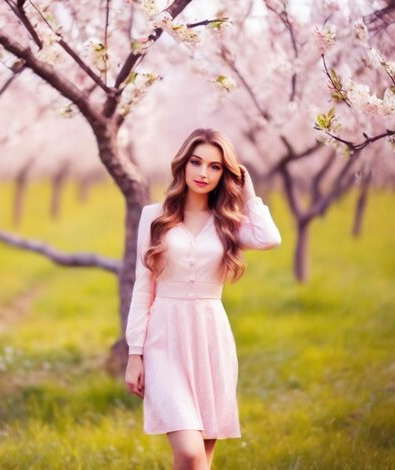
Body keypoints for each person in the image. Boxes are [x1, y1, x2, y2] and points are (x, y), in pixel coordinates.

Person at [124, 128, 281, 469]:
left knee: (202, 462)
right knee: (190, 453)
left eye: (215, 167)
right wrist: (135, 353)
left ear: (226, 174)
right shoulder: (154, 216)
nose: (203, 173)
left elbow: (270, 238)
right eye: (196, 162)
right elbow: (142, 287)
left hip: (211, 340)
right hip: (164, 341)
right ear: (183, 164)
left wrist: (249, 193)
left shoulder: (229, 223)